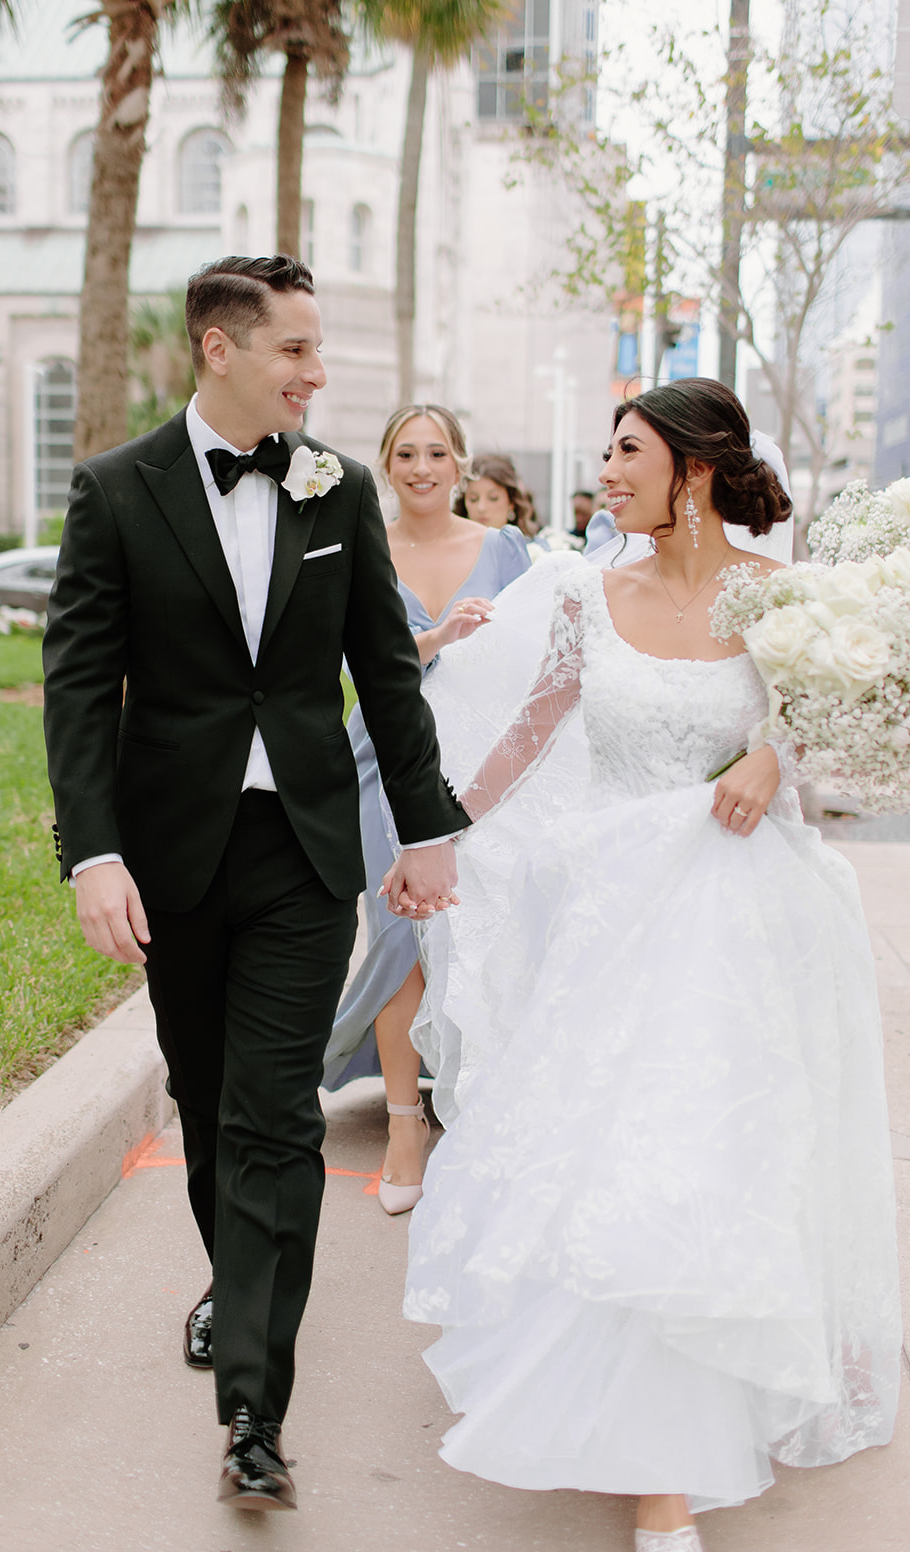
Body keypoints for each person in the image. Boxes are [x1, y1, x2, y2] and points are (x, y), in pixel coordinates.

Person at [403, 378, 901, 1549]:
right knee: (611, 1155)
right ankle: (642, 1443)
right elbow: (529, 730)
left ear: (692, 467)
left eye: (625, 453)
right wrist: (440, 834)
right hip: (610, 915)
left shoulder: (788, 601)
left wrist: (771, 756)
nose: (605, 473)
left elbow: (828, 722)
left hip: (741, 919)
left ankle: (688, 1438)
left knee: (713, 1150)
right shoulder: (588, 593)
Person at [42, 255, 468, 1512]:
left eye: (318, 350)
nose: (316, 373)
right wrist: (93, 851)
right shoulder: (117, 491)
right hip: (170, 855)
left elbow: (385, 673)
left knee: (277, 1116)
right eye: (294, 349)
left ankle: (251, 1409)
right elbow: (77, 687)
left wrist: (428, 827)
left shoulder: (334, 487)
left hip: (298, 852)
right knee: (212, 1095)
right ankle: (235, 1282)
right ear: (219, 349)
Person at [322, 406, 530, 1214]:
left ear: (460, 465)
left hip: (481, 762)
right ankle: (404, 1127)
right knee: (402, 930)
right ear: (384, 464)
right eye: (404, 453)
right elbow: (351, 659)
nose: (420, 466)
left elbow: (536, 657)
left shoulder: (503, 549)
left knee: (481, 927)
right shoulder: (358, 548)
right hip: (381, 754)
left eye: (435, 452)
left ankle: (479, 1107)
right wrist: (436, 638)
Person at [455, 453, 542, 540]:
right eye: (473, 499)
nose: (481, 508)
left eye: (493, 498)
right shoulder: (450, 548)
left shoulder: (535, 549)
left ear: (511, 502)